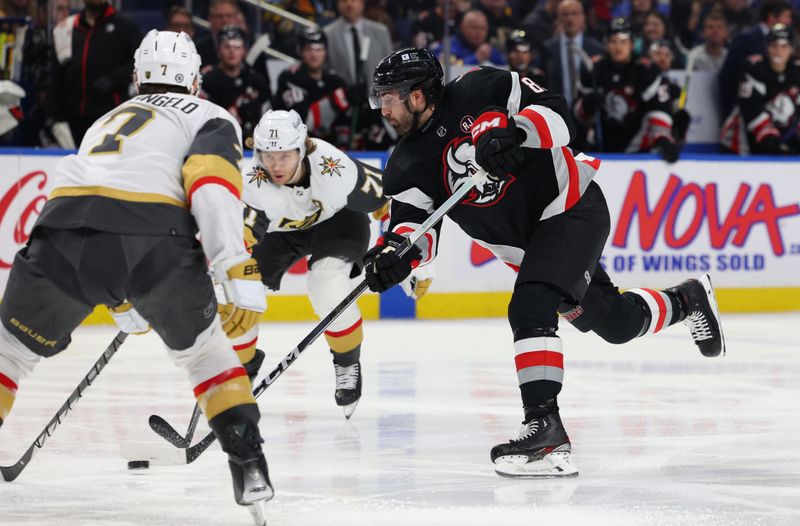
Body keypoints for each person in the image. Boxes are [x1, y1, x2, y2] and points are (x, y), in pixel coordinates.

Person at [364, 47, 725, 478]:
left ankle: (544, 426)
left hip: (569, 207)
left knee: (530, 306)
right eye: (380, 98)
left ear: (419, 94)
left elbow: (557, 114)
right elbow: (416, 234)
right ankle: (687, 300)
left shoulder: (480, 86)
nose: (383, 108)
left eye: (390, 97)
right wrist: (394, 258)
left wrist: (515, 132)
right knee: (616, 324)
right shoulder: (404, 165)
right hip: (531, 249)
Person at [0, 30, 273, 520]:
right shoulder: (212, 116)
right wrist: (234, 267)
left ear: (136, 77)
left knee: (7, 353)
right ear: (195, 78)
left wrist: (122, 301)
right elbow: (210, 188)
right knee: (208, 357)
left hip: (59, 232)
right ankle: (249, 466)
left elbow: (99, 211)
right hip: (154, 239)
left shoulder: (106, 119)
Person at [233, 109, 387, 418]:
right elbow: (238, 239)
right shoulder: (251, 180)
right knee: (237, 291)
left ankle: (346, 362)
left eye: (285, 156)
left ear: (303, 149)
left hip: (337, 222)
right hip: (280, 232)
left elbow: (388, 197)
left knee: (326, 284)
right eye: (267, 155)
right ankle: (239, 370)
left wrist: (413, 256)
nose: (275, 166)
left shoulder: (332, 167)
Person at [573, 19, 681, 162]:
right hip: (600, 147)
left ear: (631, 44)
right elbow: (579, 117)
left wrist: (663, 138)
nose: (618, 47)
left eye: (623, 41)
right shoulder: (595, 69)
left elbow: (658, 108)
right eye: (613, 41)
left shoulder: (646, 70)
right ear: (606, 44)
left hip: (638, 149)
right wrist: (587, 106)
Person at [45, 0, 141, 146]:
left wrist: (113, 79)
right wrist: (54, 114)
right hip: (72, 117)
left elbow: (139, 62)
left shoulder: (125, 25)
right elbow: (56, 75)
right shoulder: (67, 28)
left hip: (109, 116)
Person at [720, 24, 800, 155]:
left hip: (779, 137)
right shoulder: (754, 68)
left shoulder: (796, 72)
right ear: (767, 48)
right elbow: (751, 109)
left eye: (784, 47)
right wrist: (771, 139)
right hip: (740, 142)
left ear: (791, 49)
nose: (779, 52)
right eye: (774, 46)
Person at [273, 27, 351, 147]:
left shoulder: (336, 81)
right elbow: (295, 121)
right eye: (308, 49)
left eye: (318, 49)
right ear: (300, 51)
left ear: (325, 51)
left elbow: (344, 120)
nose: (314, 55)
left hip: (332, 148)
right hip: (297, 146)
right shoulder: (289, 78)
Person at [200, 25, 271, 149]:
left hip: (251, 146)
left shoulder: (256, 79)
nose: (232, 52)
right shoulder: (207, 79)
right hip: (216, 145)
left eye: (237, 47)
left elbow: (268, 115)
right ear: (219, 51)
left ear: (244, 50)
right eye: (227, 46)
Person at [544, 0, 604, 109]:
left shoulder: (597, 49)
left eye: (574, 13)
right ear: (558, 18)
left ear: (583, 17)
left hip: (586, 113)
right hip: (556, 112)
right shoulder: (547, 49)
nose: (570, 19)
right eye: (565, 14)